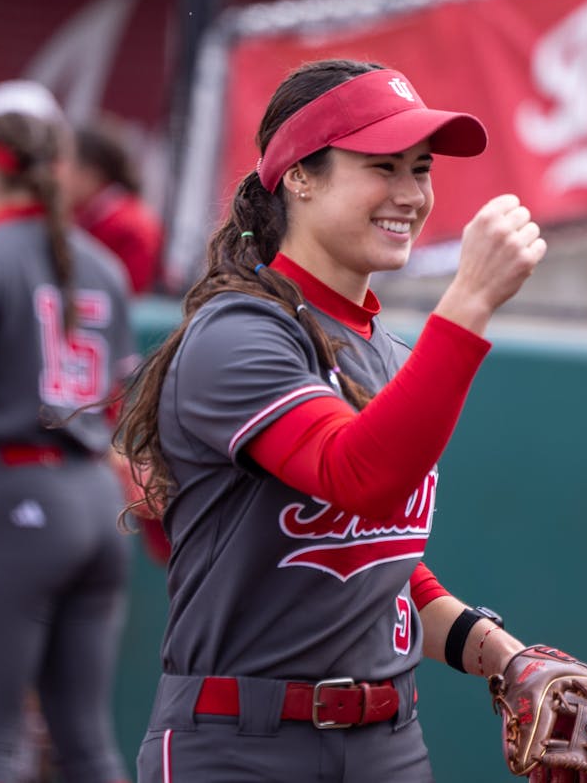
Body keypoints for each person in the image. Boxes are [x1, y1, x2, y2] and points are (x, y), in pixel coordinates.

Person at [115, 58, 551, 782]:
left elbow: (378, 561)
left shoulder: (387, 350)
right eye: (383, 166)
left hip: (388, 742)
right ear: (299, 176)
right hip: (239, 746)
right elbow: (358, 477)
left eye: (421, 168)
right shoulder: (239, 332)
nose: (411, 194)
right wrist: (469, 301)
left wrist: (492, 649)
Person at [0, 80, 136, 783]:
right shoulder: (102, 266)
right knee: (84, 741)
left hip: (15, 496)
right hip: (96, 504)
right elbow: (127, 413)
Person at [69, 120, 164, 294]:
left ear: (91, 173)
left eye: (66, 167)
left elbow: (132, 295)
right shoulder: (82, 214)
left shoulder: (133, 225)